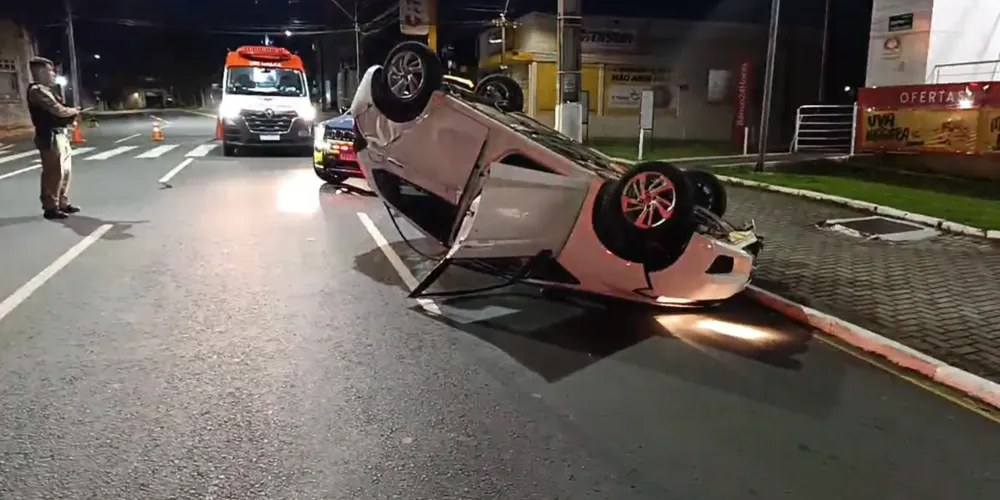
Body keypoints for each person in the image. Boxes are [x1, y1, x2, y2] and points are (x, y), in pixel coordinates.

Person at [26, 57, 81, 220]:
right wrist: (73, 111)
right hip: (48, 136)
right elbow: (57, 110)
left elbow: (61, 110)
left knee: (65, 172)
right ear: (40, 71)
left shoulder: (47, 90)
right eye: (50, 71)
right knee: (53, 173)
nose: (53, 74)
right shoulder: (37, 90)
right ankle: (51, 207)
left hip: (59, 134)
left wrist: (70, 112)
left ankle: (62, 202)